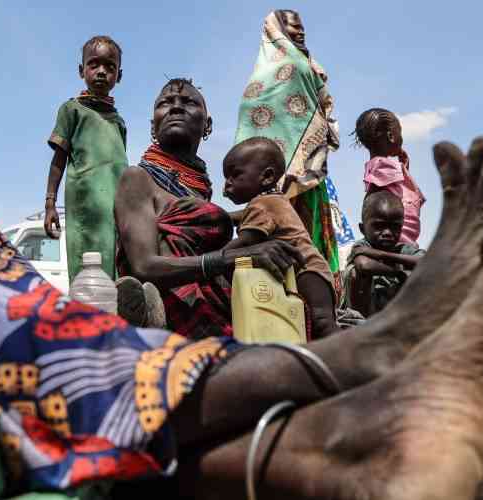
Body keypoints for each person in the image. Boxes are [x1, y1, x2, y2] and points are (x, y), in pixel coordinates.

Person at [0, 109, 483, 499]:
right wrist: (233, 254)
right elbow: (150, 264)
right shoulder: (142, 182)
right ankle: (362, 368)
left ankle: (355, 446)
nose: (178, 106)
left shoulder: (213, 195)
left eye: (190, 101)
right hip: (156, 311)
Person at [116, 78, 304, 339]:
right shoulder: (136, 179)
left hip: (221, 310)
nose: (176, 108)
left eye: (188, 102)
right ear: (153, 126)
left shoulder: (201, 193)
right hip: (174, 321)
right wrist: (240, 256)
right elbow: (144, 266)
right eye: (165, 103)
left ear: (208, 125)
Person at [234, 10, 355, 291]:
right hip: (277, 179)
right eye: (293, 27)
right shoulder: (278, 68)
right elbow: (256, 115)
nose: (300, 33)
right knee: (282, 246)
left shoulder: (307, 64)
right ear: (276, 30)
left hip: (307, 177)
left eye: (303, 28)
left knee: (306, 246)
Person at [222, 136, 338, 337]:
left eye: (235, 175)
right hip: (314, 270)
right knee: (308, 327)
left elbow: (244, 243)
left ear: (266, 177)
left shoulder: (262, 205)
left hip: (308, 270)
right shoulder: (271, 201)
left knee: (322, 324)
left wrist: (213, 256)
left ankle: (350, 358)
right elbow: (235, 217)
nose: (227, 184)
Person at [43, 35, 127, 281]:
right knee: (87, 268)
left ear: (119, 76)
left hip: (116, 206)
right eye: (94, 64)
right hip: (86, 204)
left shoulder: (118, 121)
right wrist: (50, 202)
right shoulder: (72, 110)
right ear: (82, 70)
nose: (101, 72)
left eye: (110, 67)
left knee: (117, 266)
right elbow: (59, 159)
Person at [341, 191, 425, 317]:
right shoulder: (362, 246)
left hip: (392, 313)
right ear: (362, 229)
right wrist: (399, 273)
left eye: (395, 227)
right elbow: (364, 265)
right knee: (355, 273)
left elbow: (427, 260)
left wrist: (382, 255)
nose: (387, 232)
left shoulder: (402, 249)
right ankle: (361, 322)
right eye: (379, 226)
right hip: (363, 311)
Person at [354, 108, 426, 246]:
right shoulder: (384, 167)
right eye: (400, 132)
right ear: (391, 136)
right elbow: (373, 201)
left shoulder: (379, 166)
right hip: (397, 239)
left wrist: (403, 166)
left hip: (397, 238)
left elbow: (398, 190)